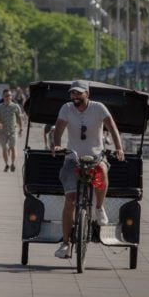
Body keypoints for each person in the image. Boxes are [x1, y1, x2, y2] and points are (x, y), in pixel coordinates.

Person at [51, 80, 125, 259]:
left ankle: (99, 207)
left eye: (78, 93)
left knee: (101, 170)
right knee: (70, 200)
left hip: (95, 156)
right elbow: (59, 128)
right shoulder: (66, 108)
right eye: (72, 93)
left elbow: (112, 127)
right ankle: (66, 244)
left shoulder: (99, 108)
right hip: (73, 158)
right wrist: (57, 145)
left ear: (87, 94)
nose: (75, 96)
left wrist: (119, 148)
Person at [0, 88, 23, 172]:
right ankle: (6, 164)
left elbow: (19, 118)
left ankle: (13, 163)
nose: (8, 97)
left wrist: (21, 128)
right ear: (3, 97)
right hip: (2, 132)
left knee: (13, 147)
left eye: (9, 95)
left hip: (13, 131)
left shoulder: (15, 106)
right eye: (6, 96)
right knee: (5, 148)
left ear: (11, 96)